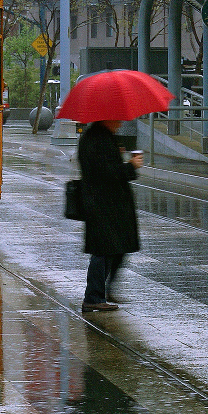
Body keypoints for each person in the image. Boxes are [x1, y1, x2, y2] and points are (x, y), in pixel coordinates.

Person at [78, 120, 143, 312]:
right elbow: (106, 173)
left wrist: (118, 156)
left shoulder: (99, 137)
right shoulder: (98, 140)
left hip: (107, 204)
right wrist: (130, 166)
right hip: (104, 204)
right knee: (103, 250)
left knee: (113, 248)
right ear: (107, 118)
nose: (120, 123)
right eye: (117, 119)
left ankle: (101, 292)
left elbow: (106, 168)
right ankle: (93, 296)